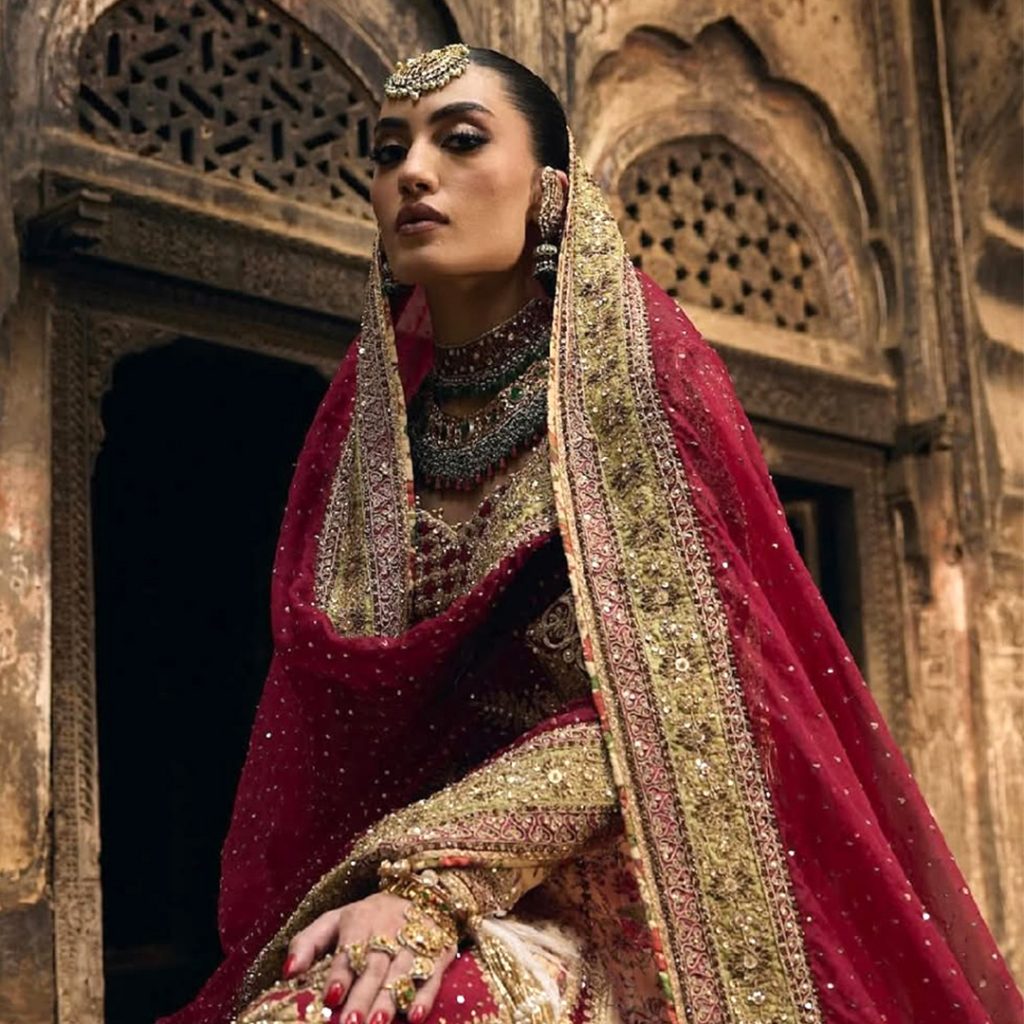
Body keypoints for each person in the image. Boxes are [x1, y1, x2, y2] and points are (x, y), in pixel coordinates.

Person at [162, 44, 1020, 1024]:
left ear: (549, 190)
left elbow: (672, 699)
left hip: (633, 873)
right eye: (388, 148)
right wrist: (400, 884)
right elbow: (341, 727)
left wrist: (434, 880)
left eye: (461, 140)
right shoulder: (369, 423)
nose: (412, 172)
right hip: (404, 861)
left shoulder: (634, 380)